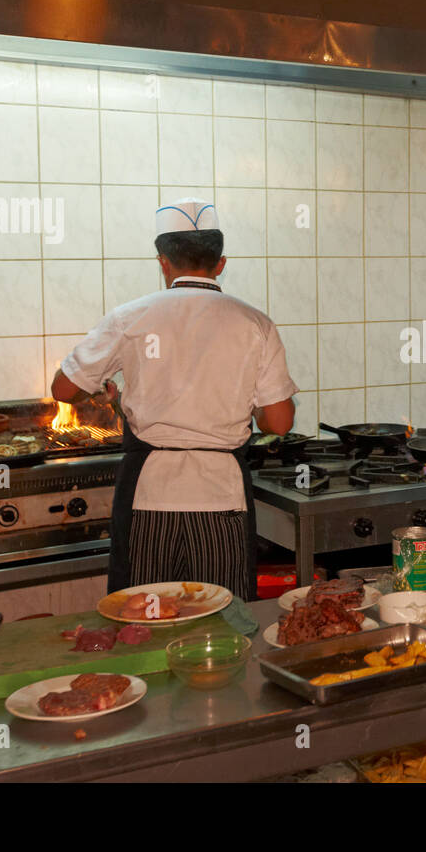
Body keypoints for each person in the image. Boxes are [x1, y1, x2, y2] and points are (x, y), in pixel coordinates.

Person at [50, 198, 298, 598]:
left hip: (150, 492)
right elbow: (280, 422)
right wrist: (251, 407)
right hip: (223, 497)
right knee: (223, 621)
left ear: (162, 261)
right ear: (220, 264)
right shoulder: (256, 324)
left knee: (144, 620)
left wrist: (96, 385)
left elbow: (64, 390)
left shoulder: (130, 316)